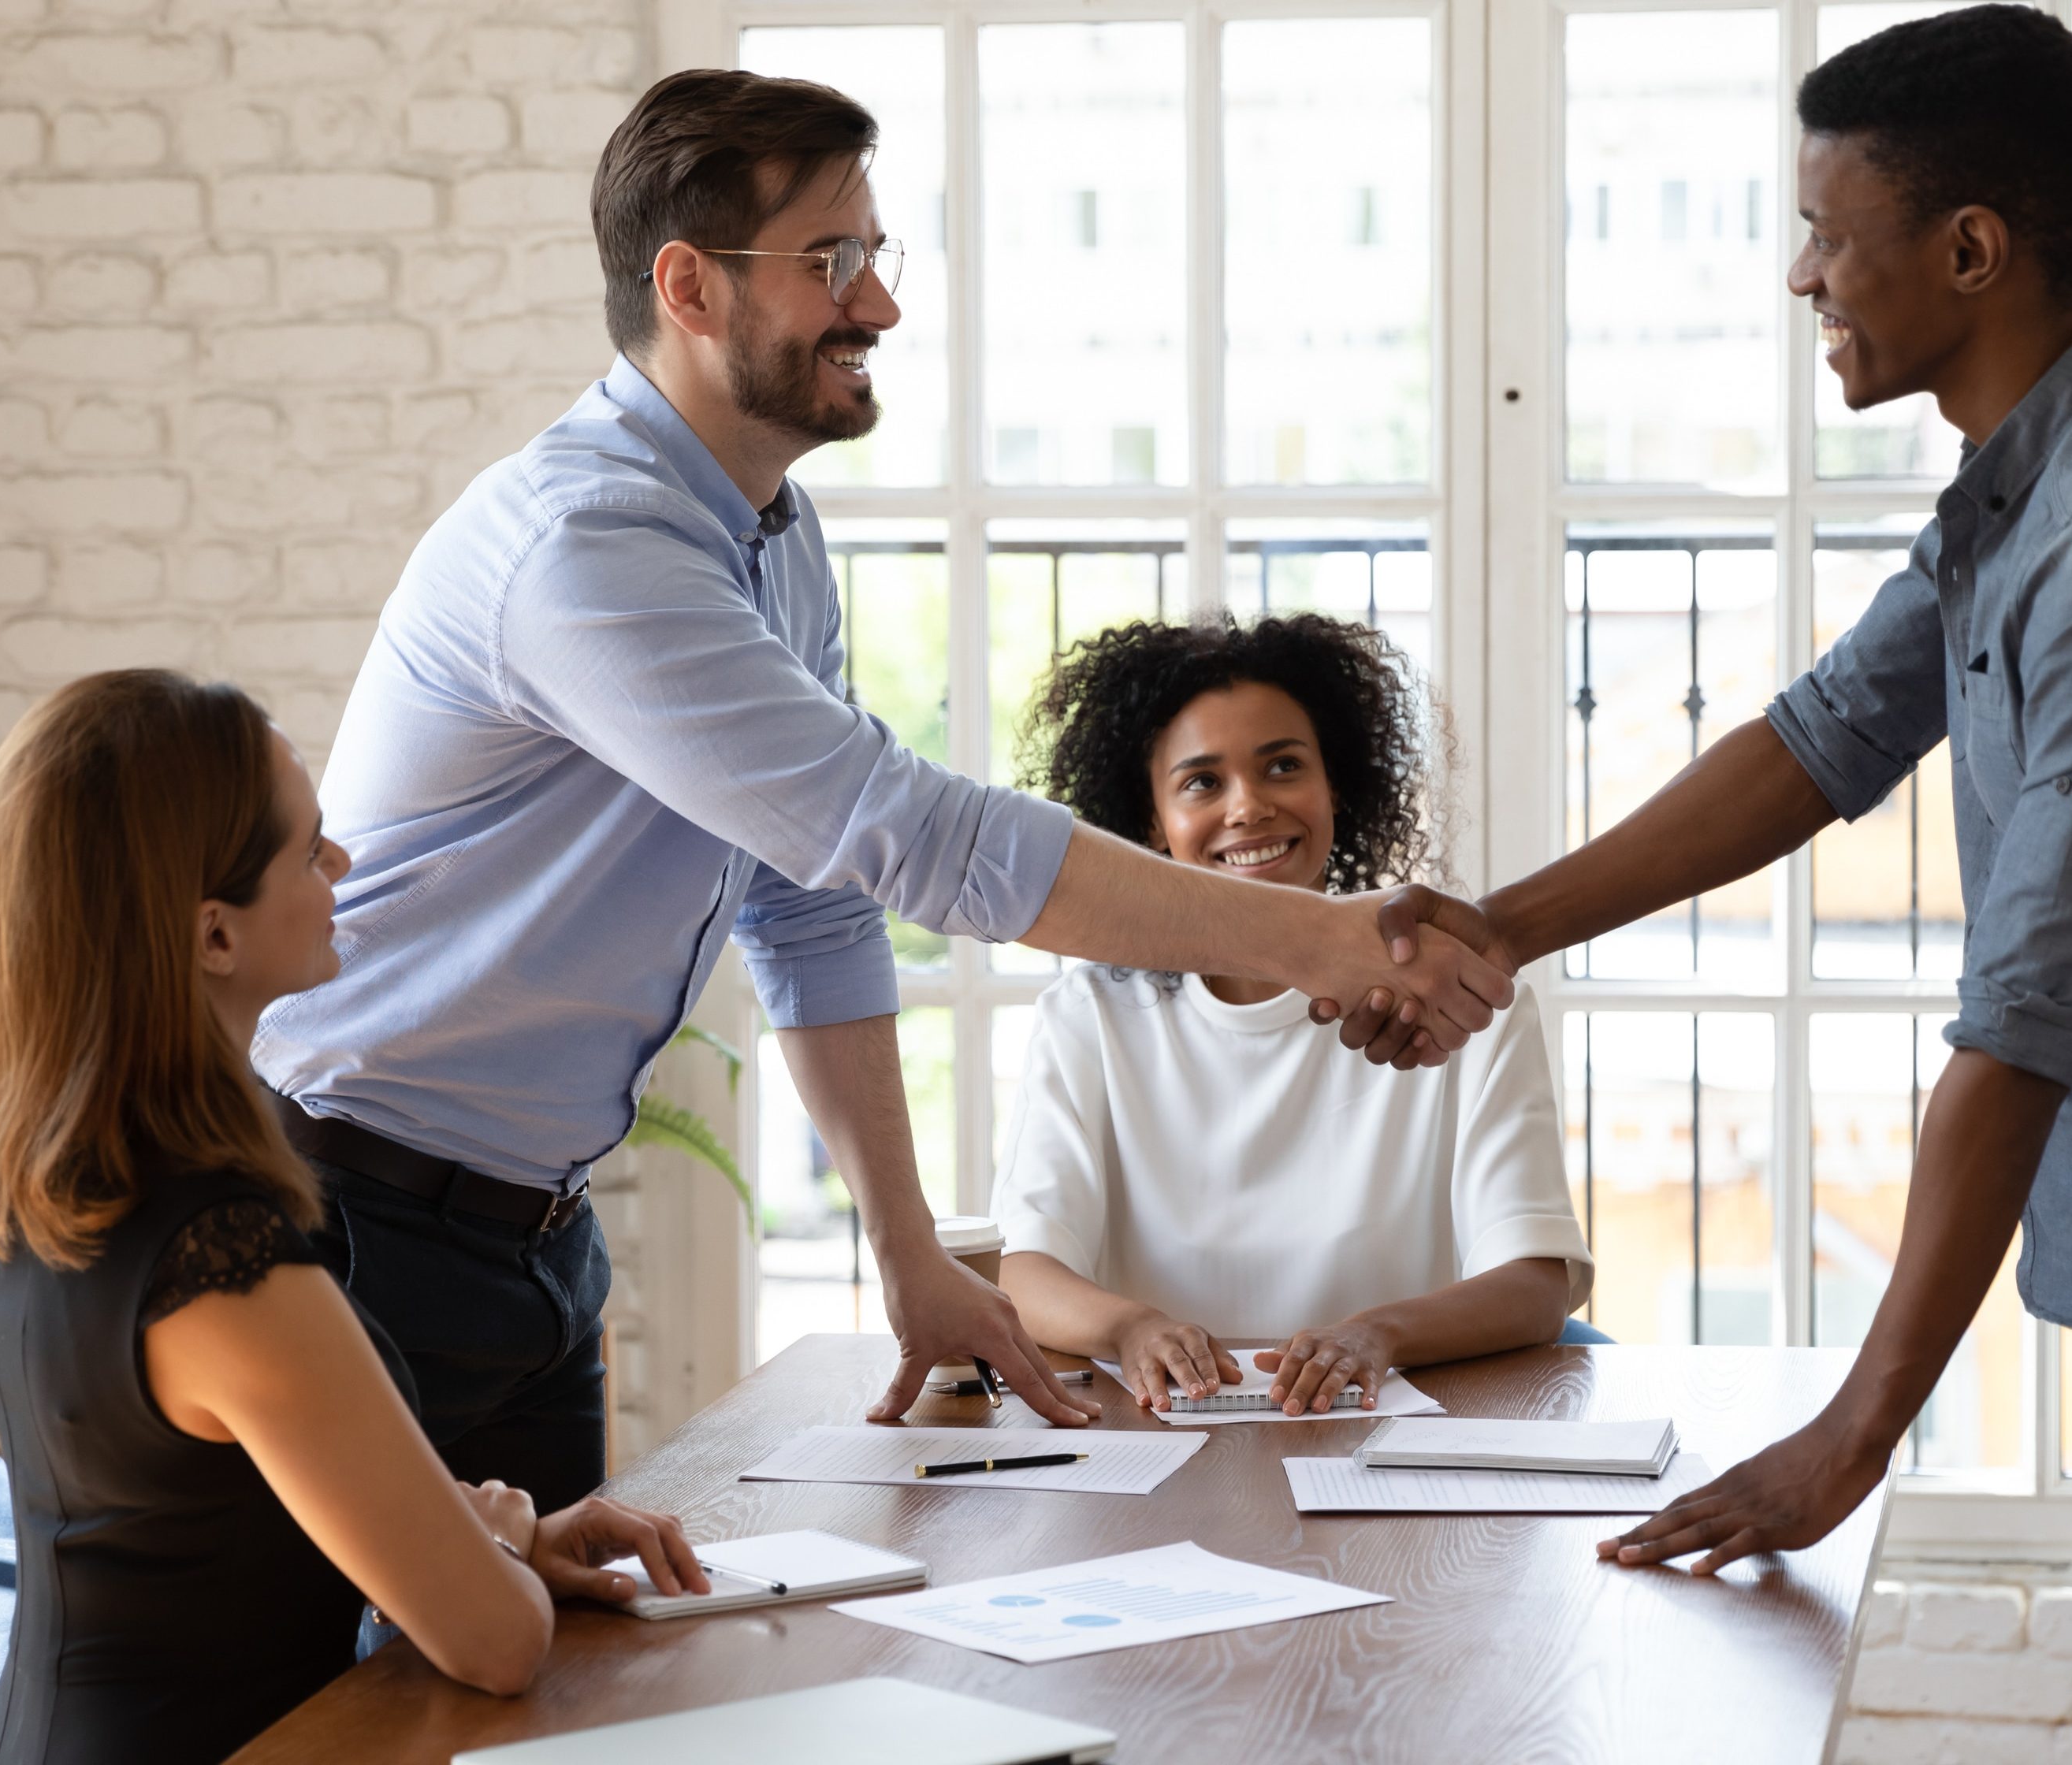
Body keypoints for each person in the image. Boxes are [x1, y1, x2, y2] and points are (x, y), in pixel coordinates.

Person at [1346, 10, 2072, 1760]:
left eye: (1828, 227)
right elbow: (1823, 738)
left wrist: (1853, 1432)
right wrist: (1502, 928)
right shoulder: (2055, 447)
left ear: (1970, 250)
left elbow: (2025, 1023)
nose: (1799, 273)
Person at [252, 68, 1508, 1507]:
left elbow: (813, 902)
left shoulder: (771, 536)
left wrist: (910, 1258)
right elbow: (904, 835)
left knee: (530, 1699)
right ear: (692, 288)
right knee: (360, 1719)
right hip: (354, 1222)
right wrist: (1325, 939)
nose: (878, 306)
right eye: (828, 262)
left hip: (529, 1243)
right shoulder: (587, 547)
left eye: (875, 255)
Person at [0, 671, 706, 1765]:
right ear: (212, 937)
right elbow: (497, 1644)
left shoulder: (35, 1184)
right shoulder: (223, 1266)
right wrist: (491, 1558)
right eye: (306, 852)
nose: (339, 864)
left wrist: (512, 1535)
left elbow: (207, 1521)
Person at [990, 615, 1596, 1417]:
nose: (1249, 806)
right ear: (1147, 824)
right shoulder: (1089, 1015)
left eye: (1282, 765)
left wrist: (1377, 1333)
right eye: (1202, 782)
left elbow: (1533, 1282)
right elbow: (1024, 1268)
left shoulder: (1458, 998)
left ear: (1335, 787)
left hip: (1394, 1452)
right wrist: (1133, 1326)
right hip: (1161, 1442)